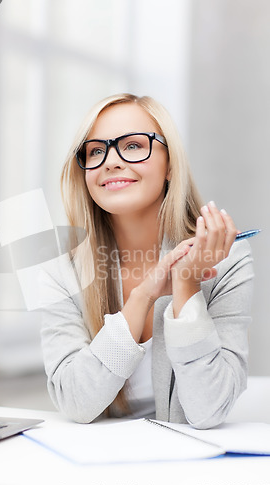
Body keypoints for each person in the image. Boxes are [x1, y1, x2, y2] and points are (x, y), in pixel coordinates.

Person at [39, 93, 254, 428]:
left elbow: (208, 410)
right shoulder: (60, 271)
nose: (110, 161)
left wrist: (187, 285)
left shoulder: (227, 261)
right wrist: (142, 298)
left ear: (170, 165)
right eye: (96, 150)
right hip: (95, 466)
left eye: (134, 145)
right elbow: (76, 402)